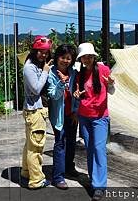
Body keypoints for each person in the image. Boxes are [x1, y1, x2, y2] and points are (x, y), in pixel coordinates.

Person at [73, 42, 115, 201]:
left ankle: (99, 186)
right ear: (81, 58)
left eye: (89, 56)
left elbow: (111, 91)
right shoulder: (80, 74)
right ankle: (94, 180)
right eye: (84, 56)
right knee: (90, 148)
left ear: (94, 56)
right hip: (84, 116)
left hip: (100, 117)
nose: (87, 59)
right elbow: (79, 94)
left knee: (99, 149)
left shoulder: (103, 69)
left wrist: (110, 84)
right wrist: (77, 95)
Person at [21, 35, 53, 189]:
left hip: (33, 110)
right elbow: (36, 88)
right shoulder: (29, 67)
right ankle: (36, 180)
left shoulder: (35, 65)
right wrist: (46, 71)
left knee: (30, 144)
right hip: (35, 111)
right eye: (40, 51)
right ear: (34, 50)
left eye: (46, 52)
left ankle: (26, 172)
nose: (44, 55)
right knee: (36, 147)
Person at [47, 44, 79, 190]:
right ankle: (58, 177)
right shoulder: (51, 73)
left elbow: (78, 92)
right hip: (58, 115)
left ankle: (69, 167)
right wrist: (62, 82)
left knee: (72, 142)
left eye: (68, 58)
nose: (65, 60)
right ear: (57, 57)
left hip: (71, 114)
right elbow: (53, 95)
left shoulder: (74, 73)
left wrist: (76, 111)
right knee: (60, 144)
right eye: (62, 57)